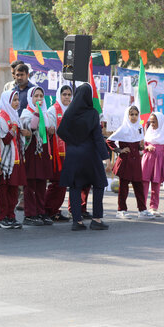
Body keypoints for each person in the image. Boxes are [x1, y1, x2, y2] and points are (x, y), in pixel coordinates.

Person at [57, 83, 109, 231]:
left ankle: (77, 222)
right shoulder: (92, 113)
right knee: (99, 184)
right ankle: (96, 219)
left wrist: (73, 141)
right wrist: (105, 157)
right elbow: (98, 138)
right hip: (90, 154)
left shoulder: (69, 112)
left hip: (73, 154)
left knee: (75, 186)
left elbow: (60, 132)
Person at [107, 106, 155, 220]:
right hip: (126, 161)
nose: (134, 117)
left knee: (138, 186)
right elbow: (109, 140)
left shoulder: (139, 127)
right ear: (127, 115)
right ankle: (121, 210)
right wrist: (119, 150)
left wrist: (141, 147)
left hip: (136, 162)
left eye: (136, 114)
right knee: (123, 187)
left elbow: (138, 144)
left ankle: (142, 210)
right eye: (131, 114)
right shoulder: (124, 128)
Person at [20, 86, 54, 226]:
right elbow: (32, 127)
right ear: (30, 98)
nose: (39, 99)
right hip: (31, 151)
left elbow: (47, 132)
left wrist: (50, 131)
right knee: (30, 184)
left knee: (41, 183)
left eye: (41, 96)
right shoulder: (26, 113)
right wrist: (37, 112)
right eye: (36, 96)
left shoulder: (45, 113)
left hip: (42, 151)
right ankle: (30, 214)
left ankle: (41, 211)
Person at [0, 90, 28, 229]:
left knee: (14, 189)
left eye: (17, 100)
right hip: (6, 159)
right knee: (4, 189)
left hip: (16, 158)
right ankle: (2, 217)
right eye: (13, 100)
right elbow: (5, 139)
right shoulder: (2, 117)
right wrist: (14, 128)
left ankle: (11, 215)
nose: (17, 103)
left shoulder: (15, 115)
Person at [44, 85, 72, 221]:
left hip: (70, 152)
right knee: (56, 183)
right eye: (64, 94)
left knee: (63, 183)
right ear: (59, 96)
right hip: (57, 152)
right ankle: (48, 210)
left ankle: (55, 210)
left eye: (69, 94)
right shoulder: (52, 110)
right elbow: (51, 131)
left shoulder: (72, 110)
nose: (67, 97)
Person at [141, 112, 164, 216]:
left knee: (156, 184)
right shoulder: (149, 132)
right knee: (144, 183)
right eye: (150, 122)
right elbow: (143, 147)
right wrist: (147, 147)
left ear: (160, 122)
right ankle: (142, 207)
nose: (152, 124)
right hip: (147, 160)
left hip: (159, 161)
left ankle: (153, 207)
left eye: (154, 122)